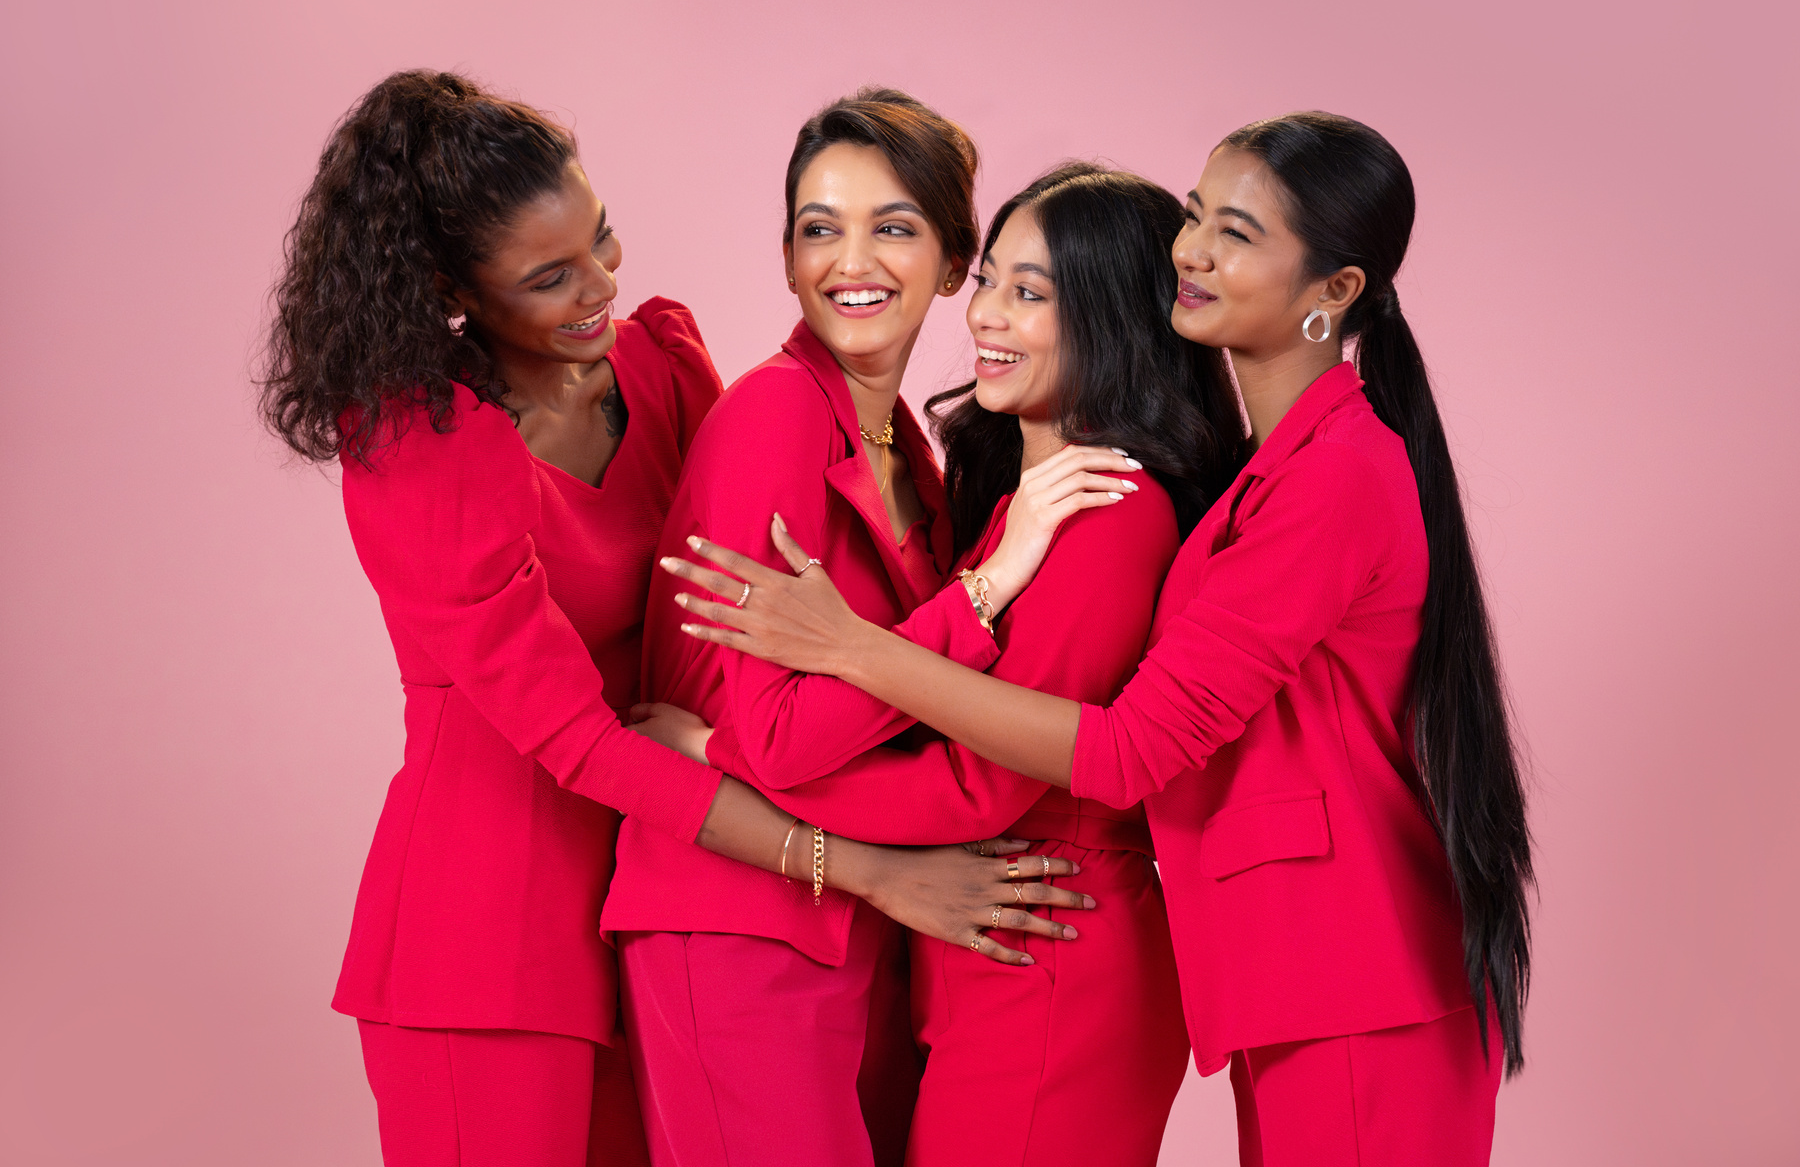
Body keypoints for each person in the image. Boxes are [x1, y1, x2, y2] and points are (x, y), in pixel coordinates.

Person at [259, 71, 1098, 1167]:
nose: (600, 285)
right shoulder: (424, 445)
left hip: (667, 886)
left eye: (603, 242)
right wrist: (870, 869)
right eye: (551, 277)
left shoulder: (658, 367)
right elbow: (579, 742)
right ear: (449, 286)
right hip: (495, 927)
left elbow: (730, 621)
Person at [663, 112, 1535, 1167]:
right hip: (1284, 969)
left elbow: (1125, 754)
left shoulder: (1289, 480)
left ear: (1335, 292)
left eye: (1239, 234)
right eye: (1200, 216)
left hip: (1332, 966)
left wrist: (825, 677)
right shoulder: (1249, 477)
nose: (1196, 250)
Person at [636, 162, 1244, 1165]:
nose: (988, 319)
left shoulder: (1109, 514)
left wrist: (715, 748)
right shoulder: (1025, 503)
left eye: (1032, 294)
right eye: (992, 283)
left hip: (1049, 943)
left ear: (1113, 317)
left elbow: (976, 790)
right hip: (1004, 945)